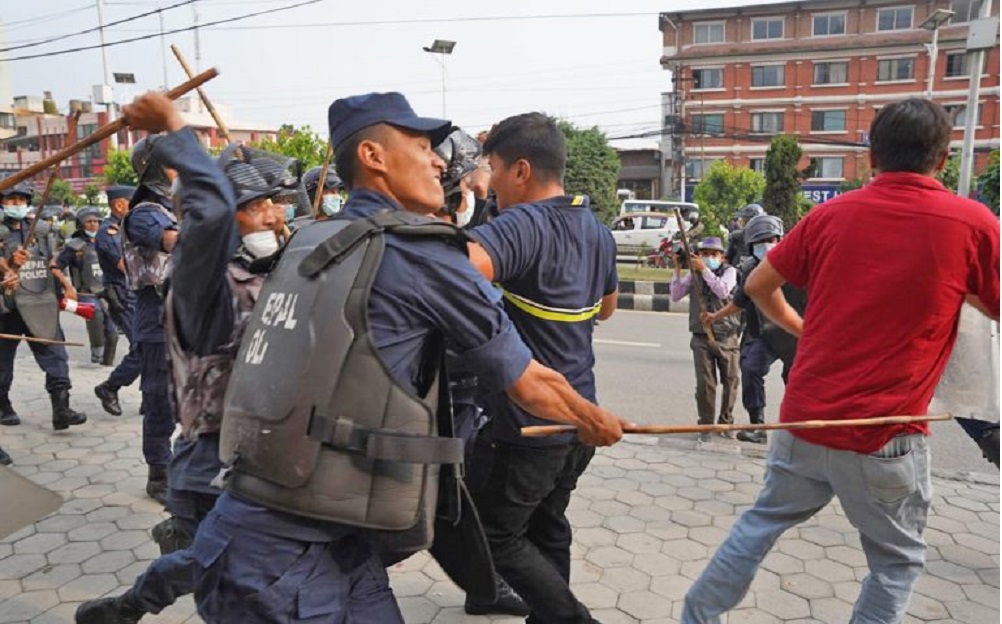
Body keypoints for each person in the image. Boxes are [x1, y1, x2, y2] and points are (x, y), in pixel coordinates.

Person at [184, 91, 624, 623]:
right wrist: (591, 417)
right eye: (422, 147)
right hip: (291, 558)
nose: (440, 161)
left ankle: (133, 598)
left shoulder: (310, 239)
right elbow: (528, 379)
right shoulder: (418, 252)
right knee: (504, 528)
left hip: (298, 529)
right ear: (373, 157)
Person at [682, 98, 1000, 624]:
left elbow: (759, 286)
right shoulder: (972, 223)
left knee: (759, 523)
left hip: (805, 421)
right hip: (885, 435)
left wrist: (802, 328)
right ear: (943, 159)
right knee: (896, 564)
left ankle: (697, 615)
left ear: (871, 155)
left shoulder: (829, 215)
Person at [75, 93, 283, 624]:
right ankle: (131, 599)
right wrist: (177, 130)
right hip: (214, 457)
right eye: (259, 207)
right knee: (223, 567)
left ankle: (142, 587)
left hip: (257, 455)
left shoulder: (268, 271)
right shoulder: (196, 262)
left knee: (231, 562)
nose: (276, 216)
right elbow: (202, 227)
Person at [464, 112, 618, 622]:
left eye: (494, 170)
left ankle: (569, 617)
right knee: (547, 526)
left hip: (527, 422)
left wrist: (475, 205)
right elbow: (608, 307)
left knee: (490, 536)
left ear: (521, 170)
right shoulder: (594, 228)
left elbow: (457, 278)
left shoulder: (520, 223)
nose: (493, 182)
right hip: (580, 415)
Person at [701, 214, 806, 444]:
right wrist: (715, 316)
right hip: (764, 334)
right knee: (750, 368)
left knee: (797, 381)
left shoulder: (800, 265)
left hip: (798, 335)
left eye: (771, 239)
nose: (766, 246)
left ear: (781, 239)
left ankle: (798, 431)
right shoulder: (750, 270)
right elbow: (740, 302)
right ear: (751, 246)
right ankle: (757, 425)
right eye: (760, 242)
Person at [0, 179, 87, 431]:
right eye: (11, 200)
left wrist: (65, 284)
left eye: (21, 200)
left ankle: (61, 409)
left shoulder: (38, 230)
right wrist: (8, 268)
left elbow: (50, 261)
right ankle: (3, 404)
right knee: (3, 361)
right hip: (8, 307)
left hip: (39, 303)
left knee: (56, 355)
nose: (17, 205)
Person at [121, 135, 179, 504]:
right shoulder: (144, 213)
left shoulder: (178, 208)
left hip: (188, 313)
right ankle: (158, 472)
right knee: (160, 399)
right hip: (157, 316)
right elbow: (173, 241)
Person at [670, 236, 740, 441]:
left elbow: (722, 290)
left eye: (713, 254)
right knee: (705, 384)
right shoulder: (694, 275)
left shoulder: (730, 272)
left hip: (727, 335)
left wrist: (705, 270)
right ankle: (706, 425)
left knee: (731, 381)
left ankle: (726, 422)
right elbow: (675, 295)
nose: (709, 257)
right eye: (705, 254)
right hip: (701, 336)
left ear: (722, 256)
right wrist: (677, 269)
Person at [94, 186, 142, 416]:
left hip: (140, 294)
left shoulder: (128, 228)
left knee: (154, 347)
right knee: (142, 348)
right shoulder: (108, 232)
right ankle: (110, 386)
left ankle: (151, 397)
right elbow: (126, 265)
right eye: (133, 203)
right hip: (123, 295)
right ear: (120, 205)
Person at [53, 206, 119, 366]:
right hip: (86, 293)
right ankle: (96, 355)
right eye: (89, 222)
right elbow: (55, 267)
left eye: (96, 221)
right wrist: (66, 287)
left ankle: (107, 362)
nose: (93, 225)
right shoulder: (74, 246)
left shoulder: (108, 242)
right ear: (81, 224)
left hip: (107, 291)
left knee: (113, 330)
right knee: (95, 315)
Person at [725, 203, 765, 267]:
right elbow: (727, 258)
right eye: (746, 220)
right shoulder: (737, 236)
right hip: (738, 272)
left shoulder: (766, 238)